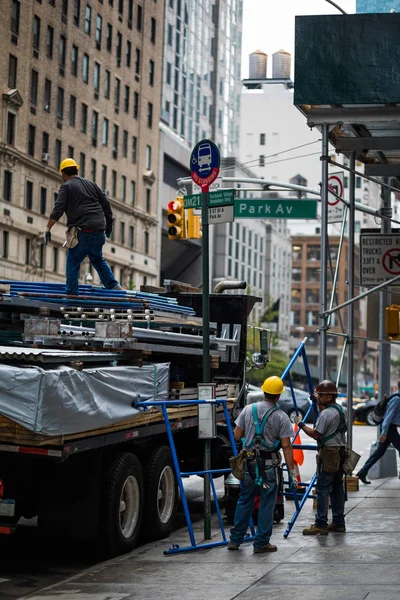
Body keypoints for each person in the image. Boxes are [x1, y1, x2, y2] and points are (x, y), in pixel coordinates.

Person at [228, 376, 297, 553]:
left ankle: (235, 540)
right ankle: (261, 543)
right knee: (267, 503)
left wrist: (249, 439)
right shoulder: (281, 417)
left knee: (245, 500)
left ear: (264, 391)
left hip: (249, 463)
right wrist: (292, 472)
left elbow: (236, 435)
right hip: (269, 465)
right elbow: (287, 447)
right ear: (278, 396)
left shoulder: (248, 410)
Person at [44, 158, 122, 296]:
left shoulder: (66, 186)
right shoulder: (91, 184)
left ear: (63, 173)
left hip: (82, 232)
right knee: (97, 258)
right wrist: (108, 226)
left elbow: (58, 209)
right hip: (98, 231)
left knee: (73, 261)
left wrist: (48, 228)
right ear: (77, 170)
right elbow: (106, 205)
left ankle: (72, 294)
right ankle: (114, 286)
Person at [295, 379, 347, 535]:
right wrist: (318, 402)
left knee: (322, 489)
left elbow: (317, 434)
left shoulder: (326, 414)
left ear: (329, 397)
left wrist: (301, 424)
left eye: (321, 395)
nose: (319, 397)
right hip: (340, 452)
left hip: (329, 453)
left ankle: (321, 524)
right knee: (337, 488)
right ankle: (338, 522)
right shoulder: (340, 409)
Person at [356, 382, 400, 484]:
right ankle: (362, 473)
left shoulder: (397, 396)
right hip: (389, 429)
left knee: (378, 453)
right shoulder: (397, 399)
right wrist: (384, 433)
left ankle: (362, 473)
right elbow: (388, 418)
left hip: (390, 428)